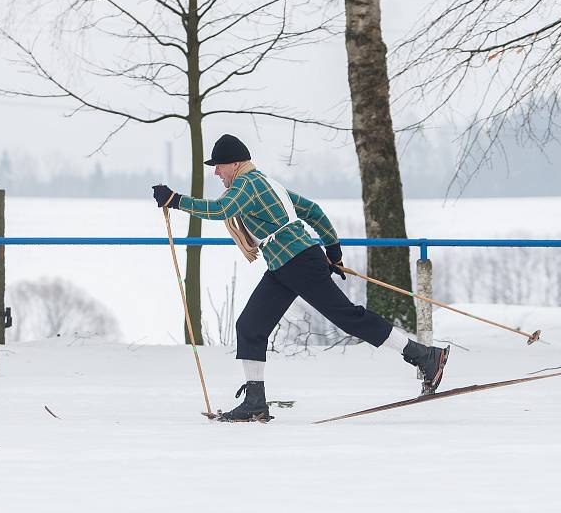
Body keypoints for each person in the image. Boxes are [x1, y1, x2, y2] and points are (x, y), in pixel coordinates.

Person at [152, 134, 449, 422]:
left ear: (235, 163)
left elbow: (220, 209)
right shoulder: (266, 183)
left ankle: (424, 356)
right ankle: (255, 403)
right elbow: (312, 211)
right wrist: (333, 251)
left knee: (349, 317)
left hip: (298, 262)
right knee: (250, 326)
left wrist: (176, 200)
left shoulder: (247, 183)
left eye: (218, 165)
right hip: (286, 264)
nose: (216, 171)